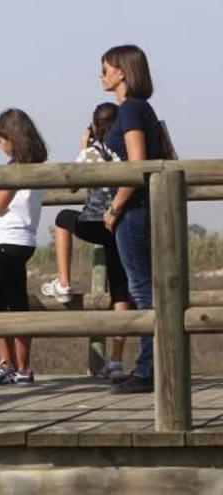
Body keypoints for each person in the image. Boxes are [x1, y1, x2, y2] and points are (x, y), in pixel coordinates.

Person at [40, 103, 130, 380]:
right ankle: (115, 361)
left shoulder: (91, 152)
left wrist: (82, 147)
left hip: (93, 223)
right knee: (120, 290)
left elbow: (72, 184)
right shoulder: (125, 153)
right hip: (119, 225)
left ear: (93, 126)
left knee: (63, 218)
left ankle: (64, 282)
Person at [99, 45, 165, 394]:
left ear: (123, 71)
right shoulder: (138, 110)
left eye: (106, 68)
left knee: (141, 288)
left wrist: (115, 207)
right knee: (143, 286)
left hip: (134, 210)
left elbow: (136, 164)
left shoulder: (131, 110)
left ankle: (150, 369)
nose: (102, 75)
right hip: (136, 209)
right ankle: (149, 365)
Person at [0, 109, 47, 385]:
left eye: (1, 140)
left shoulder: (16, 170)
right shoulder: (37, 165)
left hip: (11, 241)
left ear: (13, 138)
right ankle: (21, 368)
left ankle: (9, 365)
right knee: (16, 303)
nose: (0, 146)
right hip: (23, 240)